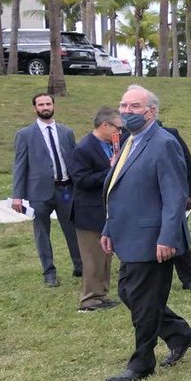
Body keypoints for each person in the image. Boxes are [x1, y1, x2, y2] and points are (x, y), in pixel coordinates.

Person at [101, 85, 191, 381]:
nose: (127, 112)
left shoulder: (163, 143)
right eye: (123, 106)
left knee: (144, 303)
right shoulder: (131, 141)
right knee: (128, 293)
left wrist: (167, 238)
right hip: (128, 235)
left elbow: (175, 195)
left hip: (154, 238)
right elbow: (118, 188)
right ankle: (180, 333)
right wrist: (109, 227)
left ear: (151, 111)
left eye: (134, 107)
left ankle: (142, 363)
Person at [12, 92, 83, 287]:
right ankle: (49, 272)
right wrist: (17, 196)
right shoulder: (25, 134)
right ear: (35, 108)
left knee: (72, 230)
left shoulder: (66, 132)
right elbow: (20, 165)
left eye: (48, 103)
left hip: (65, 189)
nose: (45, 107)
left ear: (54, 106)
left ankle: (80, 266)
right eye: (41, 104)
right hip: (39, 193)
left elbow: (74, 160)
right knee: (42, 232)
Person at [66, 107, 122, 312]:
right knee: (93, 258)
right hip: (89, 213)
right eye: (118, 127)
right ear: (105, 125)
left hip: (106, 211)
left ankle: (101, 295)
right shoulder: (83, 148)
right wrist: (111, 171)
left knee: (105, 255)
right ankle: (89, 300)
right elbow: (81, 180)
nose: (120, 131)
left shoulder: (112, 145)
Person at [159, 122, 191, 292]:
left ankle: (189, 279)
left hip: (174, 197)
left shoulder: (170, 135)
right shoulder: (127, 138)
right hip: (147, 200)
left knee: (179, 237)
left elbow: (188, 164)